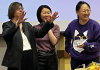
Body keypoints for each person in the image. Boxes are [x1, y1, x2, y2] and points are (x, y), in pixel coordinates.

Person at [1, 2, 59, 70]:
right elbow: (6, 36)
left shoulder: (27, 25)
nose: (21, 10)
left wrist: (49, 23)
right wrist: (17, 23)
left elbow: (39, 33)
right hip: (16, 59)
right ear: (12, 11)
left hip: (29, 57)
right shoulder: (7, 25)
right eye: (18, 8)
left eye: (21, 8)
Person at [63, 1, 100, 70]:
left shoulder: (95, 25)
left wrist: (85, 45)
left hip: (92, 59)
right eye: (84, 11)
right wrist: (68, 50)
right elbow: (67, 36)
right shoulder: (72, 24)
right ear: (77, 12)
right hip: (76, 59)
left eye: (88, 10)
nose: (86, 13)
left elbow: (98, 44)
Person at [34, 5, 60, 70]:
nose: (47, 15)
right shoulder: (35, 28)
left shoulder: (56, 27)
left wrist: (48, 26)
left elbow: (54, 42)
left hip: (52, 56)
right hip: (39, 57)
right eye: (44, 13)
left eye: (48, 12)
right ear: (39, 14)